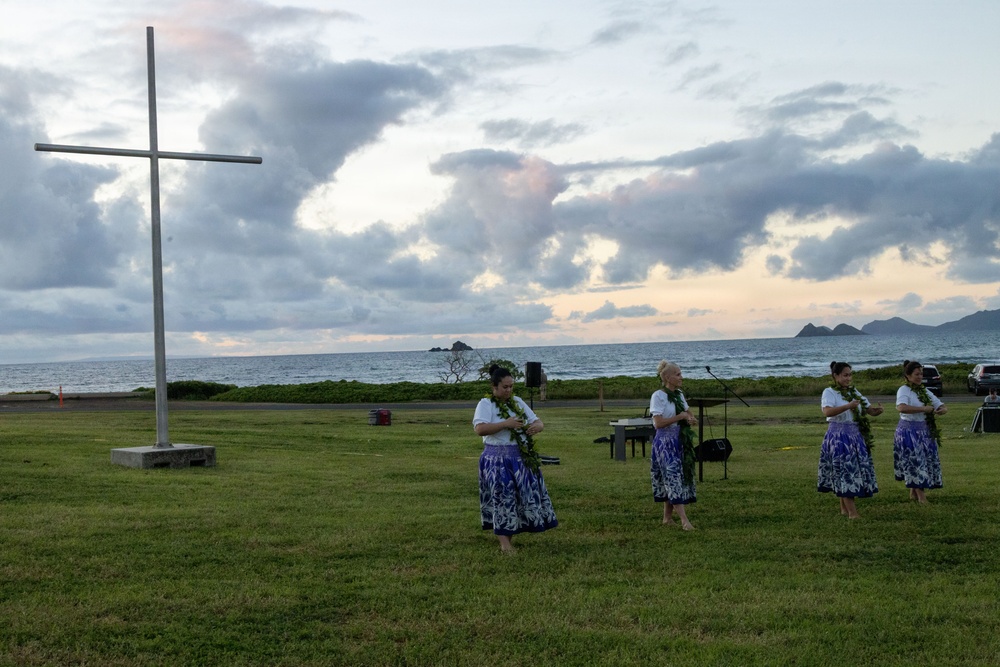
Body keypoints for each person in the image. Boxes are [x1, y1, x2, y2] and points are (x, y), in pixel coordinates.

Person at [473, 364, 557, 553]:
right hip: (497, 460)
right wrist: (505, 424)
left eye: (511, 386)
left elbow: (537, 421)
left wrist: (537, 427)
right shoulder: (485, 404)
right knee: (502, 498)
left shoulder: (517, 401)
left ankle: (509, 536)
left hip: (520, 459)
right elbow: (480, 429)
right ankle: (505, 544)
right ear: (494, 387)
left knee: (516, 499)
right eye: (505, 387)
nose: (509, 390)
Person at [818, 361, 883, 519]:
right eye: (845, 375)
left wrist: (877, 411)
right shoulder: (829, 392)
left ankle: (844, 509)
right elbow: (827, 412)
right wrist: (847, 406)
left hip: (855, 435)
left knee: (851, 471)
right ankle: (853, 513)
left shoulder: (854, 392)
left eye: (850, 375)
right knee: (846, 472)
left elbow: (868, 410)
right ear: (836, 376)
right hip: (839, 437)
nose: (849, 378)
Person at [649, 360, 699, 530]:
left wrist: (690, 418)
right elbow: (658, 423)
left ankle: (667, 518)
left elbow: (687, 411)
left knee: (675, 478)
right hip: (665, 443)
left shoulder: (678, 394)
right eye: (678, 374)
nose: (681, 377)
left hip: (680, 441)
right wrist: (680, 417)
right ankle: (685, 521)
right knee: (672, 478)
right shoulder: (658, 396)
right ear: (668, 377)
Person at [894, 360, 947, 504]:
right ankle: (921, 497)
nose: (920, 377)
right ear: (908, 375)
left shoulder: (923, 390)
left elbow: (939, 404)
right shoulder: (903, 390)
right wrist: (923, 409)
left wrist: (942, 409)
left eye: (921, 374)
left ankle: (913, 492)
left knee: (923, 461)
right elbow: (901, 408)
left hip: (924, 431)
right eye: (916, 374)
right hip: (908, 431)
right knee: (915, 461)